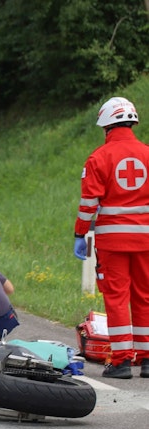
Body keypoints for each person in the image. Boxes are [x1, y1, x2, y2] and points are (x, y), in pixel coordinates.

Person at [73, 96, 149, 379]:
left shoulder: (99, 157)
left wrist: (80, 233)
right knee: (145, 296)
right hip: (146, 240)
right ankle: (147, 358)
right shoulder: (148, 153)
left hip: (113, 241)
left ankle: (120, 361)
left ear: (106, 126)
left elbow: (89, 204)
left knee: (117, 298)